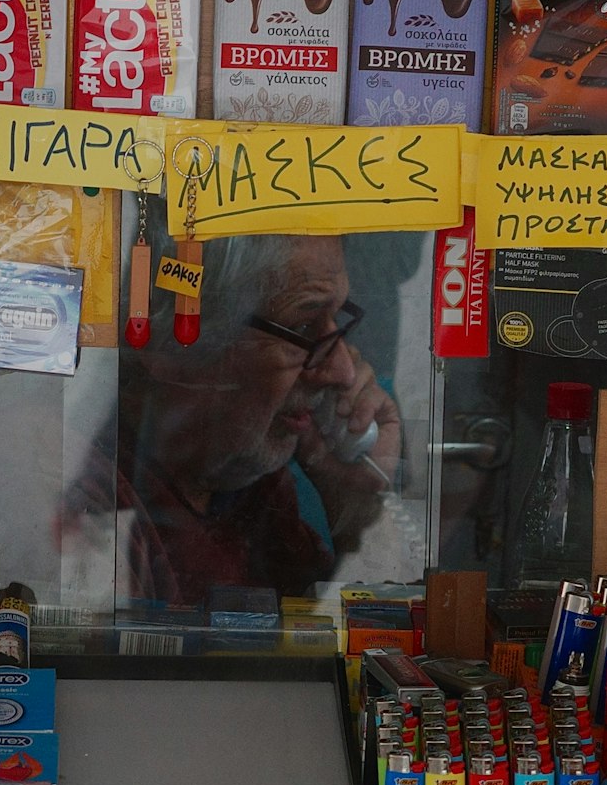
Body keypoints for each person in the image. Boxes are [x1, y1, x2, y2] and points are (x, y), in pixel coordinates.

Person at [72, 217, 406, 608]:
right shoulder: (93, 499)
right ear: (174, 344)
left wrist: (356, 504)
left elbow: (348, 644)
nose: (342, 371)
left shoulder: (250, 485)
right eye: (301, 325)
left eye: (335, 321)